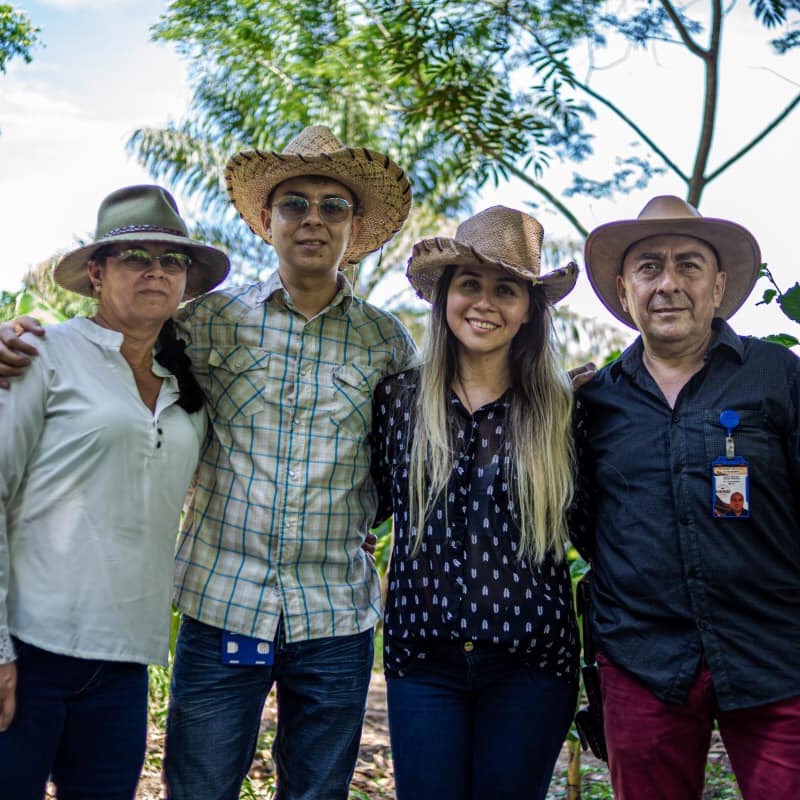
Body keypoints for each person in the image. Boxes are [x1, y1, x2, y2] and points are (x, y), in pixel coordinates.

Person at [0, 126, 414, 800]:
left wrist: (366, 517)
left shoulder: (387, 341)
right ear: (265, 221)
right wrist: (13, 333)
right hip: (223, 600)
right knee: (199, 789)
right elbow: (109, 342)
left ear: (356, 225)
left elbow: (405, 451)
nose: (313, 219)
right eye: (294, 203)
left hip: (335, 613)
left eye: (333, 205)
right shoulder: (207, 321)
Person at [0, 184, 229, 800]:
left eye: (172, 259)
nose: (157, 270)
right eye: (135, 256)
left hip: (125, 661)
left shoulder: (188, 389)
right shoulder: (40, 353)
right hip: (29, 647)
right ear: (97, 273)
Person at [571, 195, 800, 799]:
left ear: (718, 286)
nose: (668, 283)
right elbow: (583, 523)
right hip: (642, 658)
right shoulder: (594, 403)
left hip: (776, 652)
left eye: (688, 265)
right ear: (624, 291)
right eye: (648, 267)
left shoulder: (776, 375)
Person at [371, 206, 581, 800]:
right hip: (423, 661)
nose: (485, 303)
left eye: (506, 289)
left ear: (529, 309)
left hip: (531, 664)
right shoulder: (398, 401)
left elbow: (597, 528)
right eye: (470, 284)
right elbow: (365, 506)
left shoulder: (565, 412)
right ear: (445, 298)